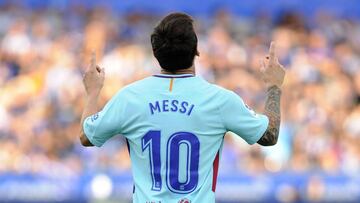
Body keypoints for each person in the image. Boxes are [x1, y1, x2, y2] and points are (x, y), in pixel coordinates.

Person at [79, 12, 285, 203]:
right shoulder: (219, 99)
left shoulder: (129, 97)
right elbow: (269, 135)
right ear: (196, 50)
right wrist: (274, 86)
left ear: (155, 52)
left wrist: (93, 92)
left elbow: (86, 136)